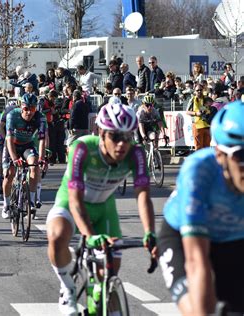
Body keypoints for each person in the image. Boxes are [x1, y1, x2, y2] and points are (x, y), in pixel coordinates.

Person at [46, 102, 156, 315]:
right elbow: (75, 199)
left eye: (128, 137)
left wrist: (150, 232)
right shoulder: (83, 147)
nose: (122, 144)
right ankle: (67, 285)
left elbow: (142, 195)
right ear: (101, 133)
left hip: (104, 208)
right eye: (115, 136)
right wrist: (89, 235)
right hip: (71, 203)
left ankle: (100, 302)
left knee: (109, 272)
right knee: (57, 236)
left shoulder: (136, 154)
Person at [158, 100, 244, 315]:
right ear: (220, 155)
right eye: (242, 156)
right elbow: (196, 261)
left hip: (233, 239)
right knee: (199, 309)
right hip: (181, 235)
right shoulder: (199, 172)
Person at [1, 93, 47, 219]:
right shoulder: (12, 115)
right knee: (9, 174)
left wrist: (42, 158)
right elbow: (9, 139)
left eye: (32, 109)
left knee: (34, 166)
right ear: (21, 108)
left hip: (27, 145)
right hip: (12, 146)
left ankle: (31, 201)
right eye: (26, 109)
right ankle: (6, 205)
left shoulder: (40, 117)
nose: (29, 113)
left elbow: (43, 140)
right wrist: (15, 159)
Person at [0, 100, 19, 194]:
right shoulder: (5, 113)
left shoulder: (19, 113)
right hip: (5, 135)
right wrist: (6, 139)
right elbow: (1, 127)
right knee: (2, 156)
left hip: (15, 135)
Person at [186, 84, 211, 150]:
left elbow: (212, 107)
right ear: (195, 91)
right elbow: (187, 112)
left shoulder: (207, 98)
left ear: (203, 90)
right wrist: (196, 113)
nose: (199, 91)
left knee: (207, 147)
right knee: (198, 147)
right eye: (197, 90)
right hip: (197, 125)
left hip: (207, 125)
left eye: (200, 90)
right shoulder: (192, 100)